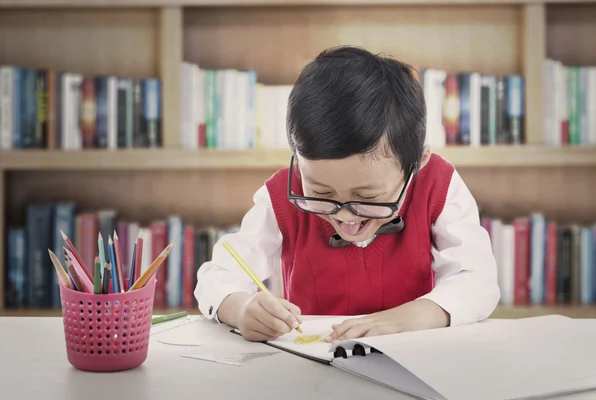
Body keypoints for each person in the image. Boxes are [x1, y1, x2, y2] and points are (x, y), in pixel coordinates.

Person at [194, 45, 500, 343]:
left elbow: (478, 280)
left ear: (415, 164)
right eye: (320, 192)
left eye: (367, 197)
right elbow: (217, 275)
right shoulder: (282, 192)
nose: (344, 215)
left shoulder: (438, 183)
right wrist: (240, 308)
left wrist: (412, 317)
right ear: (299, 161)